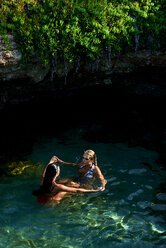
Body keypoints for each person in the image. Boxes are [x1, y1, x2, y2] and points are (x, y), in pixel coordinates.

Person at [33, 156, 103, 206]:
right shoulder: (57, 186)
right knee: (70, 186)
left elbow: (46, 172)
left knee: (65, 180)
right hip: (50, 202)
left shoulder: (43, 179)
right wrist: (94, 191)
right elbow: (76, 190)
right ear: (56, 174)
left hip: (40, 197)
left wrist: (51, 161)